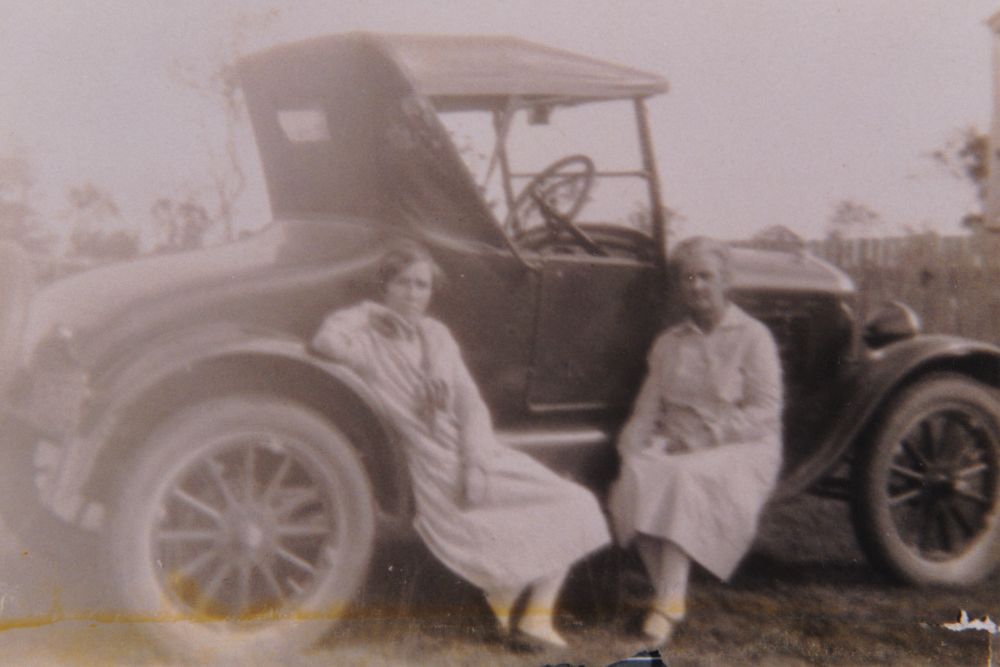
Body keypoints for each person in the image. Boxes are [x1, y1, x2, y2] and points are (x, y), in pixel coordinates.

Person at [311, 240, 610, 648]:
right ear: (385, 288)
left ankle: (530, 613)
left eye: (422, 286)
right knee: (548, 509)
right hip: (431, 463)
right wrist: (364, 312)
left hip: (469, 452)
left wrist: (476, 463)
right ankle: (516, 608)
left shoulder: (437, 337)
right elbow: (325, 343)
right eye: (403, 284)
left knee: (575, 501)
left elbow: (471, 405)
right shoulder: (367, 343)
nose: (414, 294)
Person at [608, 236, 784, 648]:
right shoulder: (670, 342)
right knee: (637, 476)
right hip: (677, 442)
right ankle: (668, 595)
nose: (697, 287)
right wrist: (631, 445)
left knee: (680, 479)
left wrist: (709, 435)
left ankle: (668, 605)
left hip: (741, 445)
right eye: (688, 278)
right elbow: (647, 407)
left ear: (725, 281)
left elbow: (766, 411)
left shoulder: (752, 337)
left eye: (706, 277)